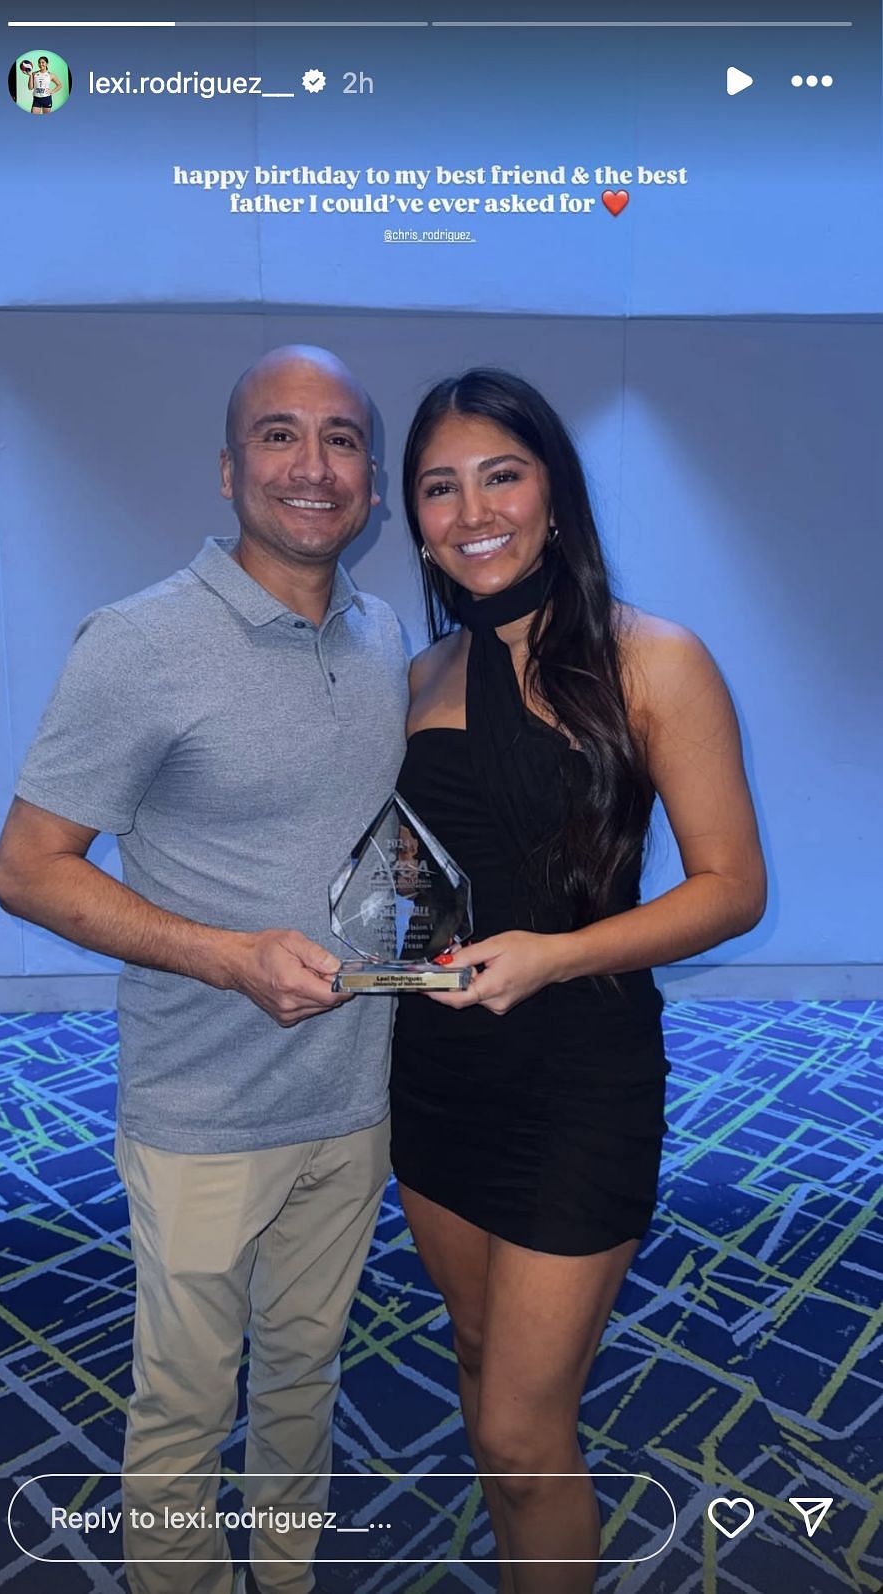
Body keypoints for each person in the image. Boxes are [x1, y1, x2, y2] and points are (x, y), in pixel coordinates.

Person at [0, 346, 408, 1594]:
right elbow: (26, 867)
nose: (312, 464)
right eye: (279, 436)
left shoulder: (384, 631)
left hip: (354, 1098)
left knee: (304, 1379)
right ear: (230, 470)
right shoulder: (138, 643)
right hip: (202, 1111)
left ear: (371, 483)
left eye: (340, 439)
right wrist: (225, 958)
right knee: (181, 1407)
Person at [390, 368, 766, 1593]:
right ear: (415, 516)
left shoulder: (655, 658)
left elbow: (730, 887)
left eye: (502, 472)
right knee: (479, 1352)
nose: (472, 508)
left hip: (582, 1072)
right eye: (439, 486)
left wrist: (556, 954)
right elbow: (423, 872)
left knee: (517, 1427)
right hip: (438, 1070)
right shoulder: (422, 676)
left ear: (555, 490)